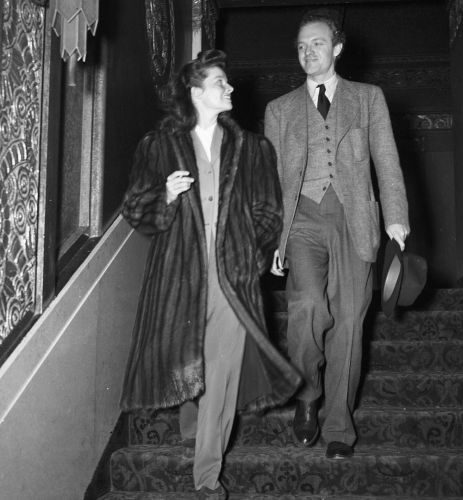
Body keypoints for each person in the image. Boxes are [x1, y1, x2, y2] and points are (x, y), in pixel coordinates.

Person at [120, 49, 300, 500]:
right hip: (180, 268)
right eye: (221, 82)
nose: (231, 88)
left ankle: (206, 476)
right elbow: (135, 210)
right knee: (188, 352)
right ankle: (192, 418)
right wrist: (165, 194)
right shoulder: (158, 145)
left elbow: (267, 210)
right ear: (198, 92)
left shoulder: (253, 148)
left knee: (224, 369)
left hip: (233, 272)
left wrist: (252, 255)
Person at [264, 8, 410, 459]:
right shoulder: (279, 109)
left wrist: (396, 219)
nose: (309, 53)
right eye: (302, 46)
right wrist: (273, 238)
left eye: (318, 44)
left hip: (355, 220)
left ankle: (338, 428)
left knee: (348, 321)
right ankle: (308, 393)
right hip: (302, 219)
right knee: (307, 305)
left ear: (338, 48)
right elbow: (270, 179)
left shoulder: (368, 98)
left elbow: (386, 160)